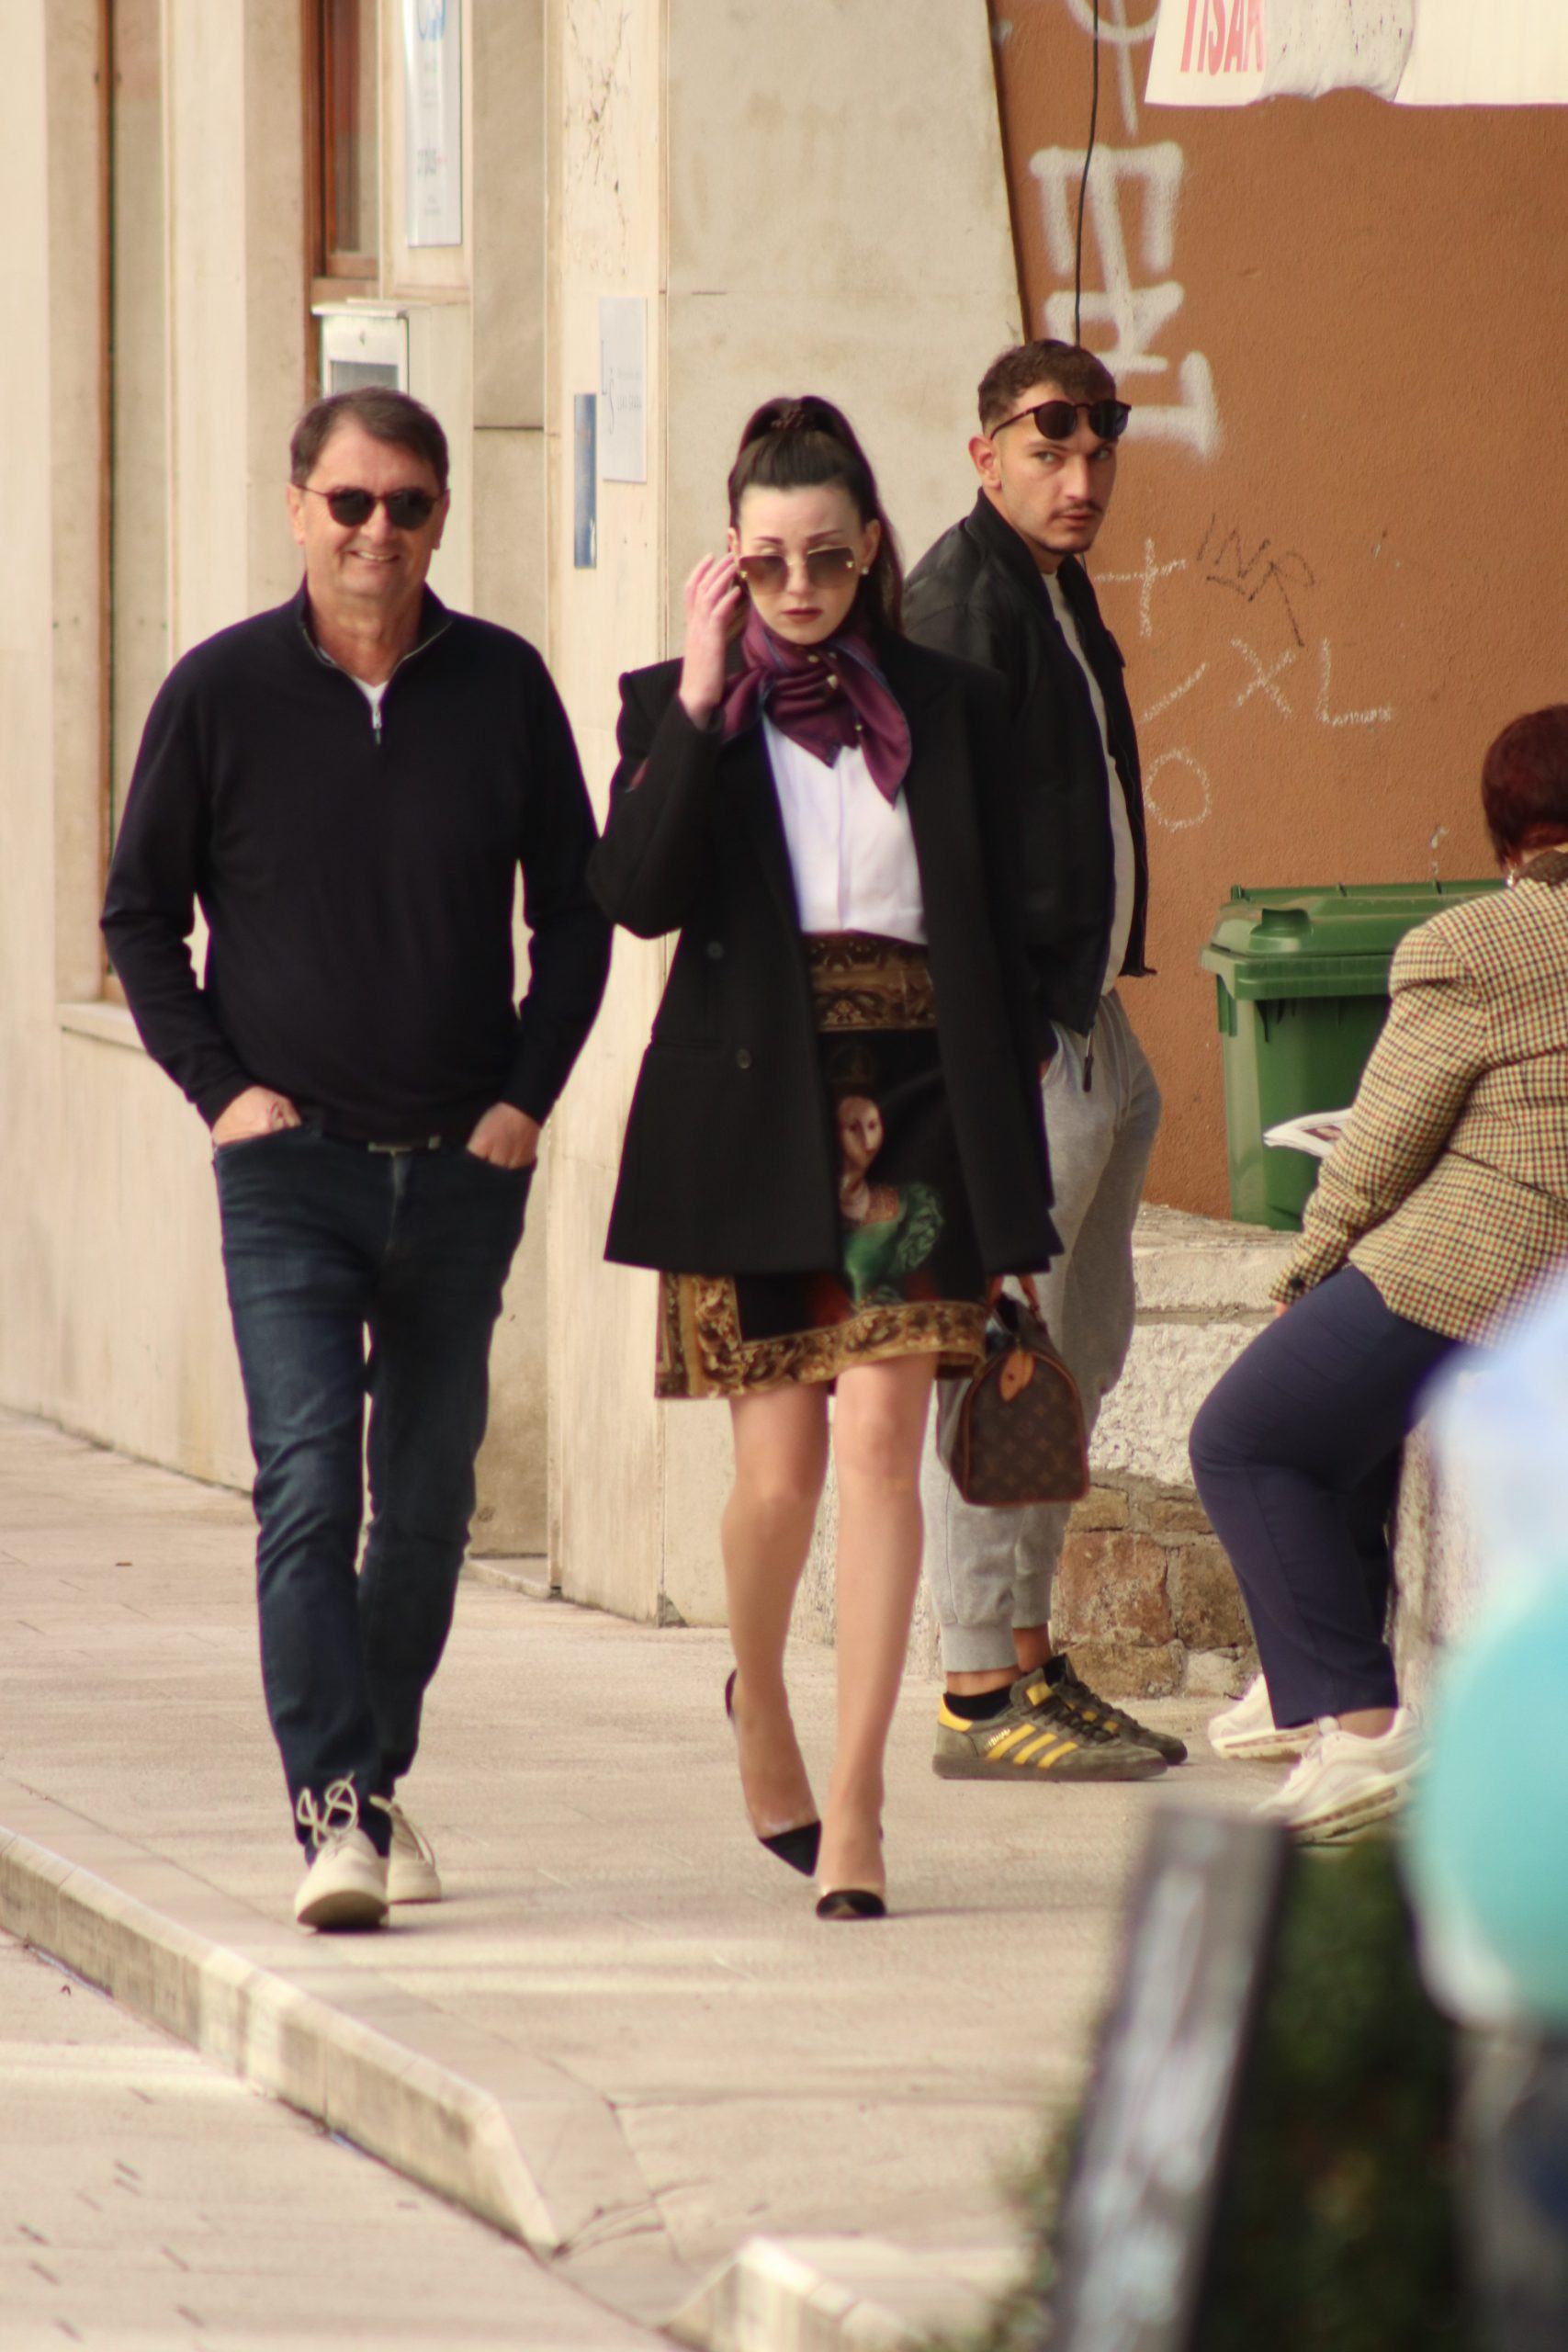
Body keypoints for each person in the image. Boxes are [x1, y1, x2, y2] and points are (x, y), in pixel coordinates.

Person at [101, 388, 610, 1930]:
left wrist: (523, 1102)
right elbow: (140, 917)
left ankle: (369, 1789)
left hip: (462, 1172)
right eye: (349, 502)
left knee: (431, 1505)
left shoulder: (503, 687)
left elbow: (576, 916)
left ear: (441, 515)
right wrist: (221, 1093)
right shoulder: (219, 692)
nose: (376, 531)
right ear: (297, 509)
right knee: (311, 1486)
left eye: (407, 504)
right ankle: (333, 1806)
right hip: (290, 1172)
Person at [590, 395, 1067, 1921]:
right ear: (728, 562)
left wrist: (1011, 1157)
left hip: (917, 1101)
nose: (798, 587)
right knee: (777, 1479)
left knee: (876, 1453)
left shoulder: (953, 704)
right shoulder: (675, 705)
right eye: (766, 562)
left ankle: (856, 1807)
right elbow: (637, 896)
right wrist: (700, 697)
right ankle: (762, 1706)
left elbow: (1007, 928)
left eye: (825, 557)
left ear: (869, 548)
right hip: (749, 1107)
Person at [1190, 706, 1568, 1840]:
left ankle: (1359, 1732)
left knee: (1245, 1436)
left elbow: (1383, 1142)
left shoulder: (1477, 944)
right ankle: (1304, 1676)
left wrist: (1309, 1262)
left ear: (1508, 838)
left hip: (1495, 1259)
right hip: (1529, 1274)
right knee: (1333, 1407)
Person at [902, 339, 1179, 1781]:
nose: (1077, 479)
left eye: (1093, 452)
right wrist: (993, 1060)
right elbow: (934, 858)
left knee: (1068, 1362)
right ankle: (972, 1688)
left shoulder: (1051, 587)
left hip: (1087, 1018)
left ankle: (1024, 1655)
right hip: (1018, 1041)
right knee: (996, 1361)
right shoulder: (960, 604)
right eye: (1044, 450)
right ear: (984, 456)